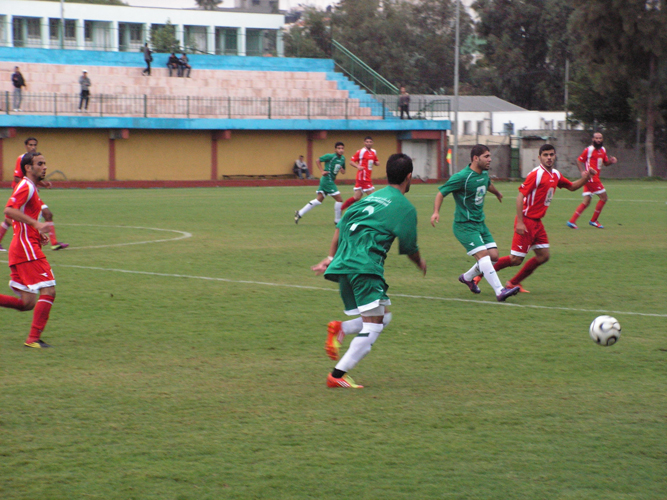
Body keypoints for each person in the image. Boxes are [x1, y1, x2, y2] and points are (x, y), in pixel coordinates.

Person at [311, 153, 427, 389]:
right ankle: (337, 375)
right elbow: (409, 248)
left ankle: (340, 328)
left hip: (344, 265)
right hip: (365, 267)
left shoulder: (371, 197)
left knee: (382, 317)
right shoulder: (405, 208)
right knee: (373, 325)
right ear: (409, 177)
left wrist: (330, 257)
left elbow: (342, 224)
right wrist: (420, 262)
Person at [473, 144, 593, 293]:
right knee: (515, 260)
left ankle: (513, 282)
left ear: (555, 156)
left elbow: (572, 187)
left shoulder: (555, 174)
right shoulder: (536, 174)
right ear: (539, 157)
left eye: (551, 154)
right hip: (527, 220)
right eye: (545, 155)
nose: (549, 157)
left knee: (543, 256)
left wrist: (587, 178)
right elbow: (520, 197)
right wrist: (521, 223)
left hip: (537, 222)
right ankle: (477, 276)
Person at [430, 145, 520, 302]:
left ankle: (467, 277)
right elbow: (441, 193)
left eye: (489, 156)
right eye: (486, 156)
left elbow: (487, 183)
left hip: (480, 223)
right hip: (464, 225)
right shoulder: (462, 177)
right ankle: (500, 291)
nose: (490, 159)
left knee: (494, 256)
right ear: (475, 158)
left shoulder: (484, 174)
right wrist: (436, 212)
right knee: (483, 256)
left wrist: (497, 192)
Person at [0, 151, 57, 348]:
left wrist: (36, 230)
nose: (44, 167)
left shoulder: (31, 186)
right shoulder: (26, 186)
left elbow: (21, 215)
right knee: (48, 290)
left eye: (45, 163)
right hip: (26, 248)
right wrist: (37, 224)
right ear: (28, 167)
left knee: (27, 302)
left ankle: (33, 338)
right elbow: (9, 211)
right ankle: (33, 339)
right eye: (40, 164)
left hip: (21, 246)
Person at [0, 137, 68, 252]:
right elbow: (17, 177)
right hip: (23, 193)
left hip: (31, 191)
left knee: (47, 214)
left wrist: (42, 184)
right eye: (30, 145)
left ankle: (54, 242)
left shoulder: (35, 162)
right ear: (26, 146)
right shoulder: (22, 160)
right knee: (11, 218)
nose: (33, 147)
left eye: (34, 144)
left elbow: (33, 177)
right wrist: (28, 187)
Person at [567, 132, 617, 229]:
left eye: (600, 138)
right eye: (596, 138)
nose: (598, 140)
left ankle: (572, 221)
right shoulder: (589, 150)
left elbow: (605, 163)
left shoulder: (603, 150)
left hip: (591, 179)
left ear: (602, 140)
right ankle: (593, 220)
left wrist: (611, 161)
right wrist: (582, 172)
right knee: (604, 198)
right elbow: (579, 160)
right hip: (591, 178)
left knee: (586, 201)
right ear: (593, 139)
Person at [294, 142, 346, 225]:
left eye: (342, 148)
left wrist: (342, 171)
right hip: (327, 179)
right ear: (335, 149)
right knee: (339, 199)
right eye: (339, 148)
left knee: (319, 200)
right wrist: (322, 171)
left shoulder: (343, 159)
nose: (341, 150)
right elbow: (318, 160)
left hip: (329, 180)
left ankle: (299, 213)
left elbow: (343, 171)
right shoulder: (330, 156)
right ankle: (337, 221)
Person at [340, 136, 379, 211]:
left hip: (367, 177)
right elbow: (351, 162)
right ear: (364, 143)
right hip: (363, 177)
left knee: (356, 198)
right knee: (374, 197)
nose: (369, 143)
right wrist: (358, 166)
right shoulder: (361, 151)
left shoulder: (374, 152)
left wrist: (376, 163)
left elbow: (375, 160)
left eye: (370, 142)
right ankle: (372, 214)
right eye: (367, 142)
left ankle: (341, 209)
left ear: (372, 143)